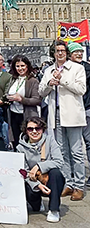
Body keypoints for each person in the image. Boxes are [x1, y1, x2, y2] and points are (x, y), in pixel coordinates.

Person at [38, 40, 87, 201]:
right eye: (57, 51)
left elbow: (81, 89)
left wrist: (63, 80)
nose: (60, 53)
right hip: (56, 115)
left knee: (76, 152)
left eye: (63, 51)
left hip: (72, 115)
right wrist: (50, 84)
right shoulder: (48, 70)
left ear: (66, 53)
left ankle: (79, 186)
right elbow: (41, 91)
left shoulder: (77, 68)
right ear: (53, 53)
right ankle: (69, 183)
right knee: (62, 152)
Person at [16, 116, 65, 223]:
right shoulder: (20, 148)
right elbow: (23, 171)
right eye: (30, 129)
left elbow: (59, 161)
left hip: (49, 179)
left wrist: (38, 166)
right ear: (26, 130)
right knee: (35, 206)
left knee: (56, 173)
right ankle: (37, 203)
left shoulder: (50, 141)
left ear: (42, 129)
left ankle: (54, 209)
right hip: (33, 180)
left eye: (37, 128)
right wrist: (37, 185)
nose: (34, 131)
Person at [4, 54, 41, 146]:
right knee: (16, 140)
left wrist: (21, 99)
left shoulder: (33, 81)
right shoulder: (13, 79)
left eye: (22, 66)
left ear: (27, 66)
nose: (20, 68)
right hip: (13, 114)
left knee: (27, 140)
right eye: (17, 66)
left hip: (26, 115)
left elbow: (37, 100)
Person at [67, 42, 90, 187]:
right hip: (70, 110)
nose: (79, 54)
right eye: (76, 52)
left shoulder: (86, 68)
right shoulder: (63, 68)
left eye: (80, 52)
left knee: (88, 142)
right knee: (72, 146)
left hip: (86, 108)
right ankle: (72, 175)